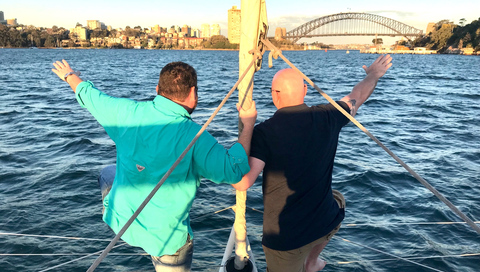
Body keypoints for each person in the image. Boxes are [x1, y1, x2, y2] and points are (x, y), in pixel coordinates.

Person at [52, 60, 257, 272]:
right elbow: (234, 170)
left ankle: (117, 206)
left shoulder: (125, 112)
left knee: (107, 173)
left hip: (123, 222)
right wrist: (249, 123)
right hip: (166, 241)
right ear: (193, 93)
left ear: (158, 90)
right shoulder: (195, 137)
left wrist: (69, 75)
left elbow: (90, 97)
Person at [232, 54, 393, 272]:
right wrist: (374, 75)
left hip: (286, 240)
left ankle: (307, 263)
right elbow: (358, 96)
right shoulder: (328, 116)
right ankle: (311, 262)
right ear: (305, 91)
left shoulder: (264, 132)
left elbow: (242, 183)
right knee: (338, 200)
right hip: (324, 223)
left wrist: (248, 125)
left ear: (274, 95)